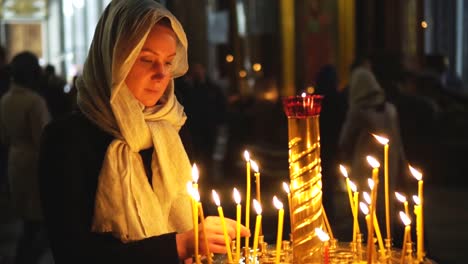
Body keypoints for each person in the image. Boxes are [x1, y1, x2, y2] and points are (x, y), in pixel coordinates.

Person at [38, 1, 249, 264]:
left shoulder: (172, 127)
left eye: (169, 62)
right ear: (113, 60)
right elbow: (74, 253)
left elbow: (193, 218)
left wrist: (202, 242)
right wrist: (179, 245)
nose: (161, 74)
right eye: (146, 60)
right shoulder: (67, 139)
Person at [338, 57, 409, 247]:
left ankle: (369, 244)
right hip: (390, 159)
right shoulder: (390, 109)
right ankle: (386, 243)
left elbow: (344, 138)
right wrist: (402, 163)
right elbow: (399, 140)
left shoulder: (358, 111)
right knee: (385, 202)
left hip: (365, 160)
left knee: (366, 201)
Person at [0, 51, 51, 264]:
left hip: (15, 159)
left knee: (27, 219)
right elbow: (43, 137)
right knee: (38, 222)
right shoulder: (34, 101)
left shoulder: (5, 99)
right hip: (34, 162)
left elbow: (3, 136)